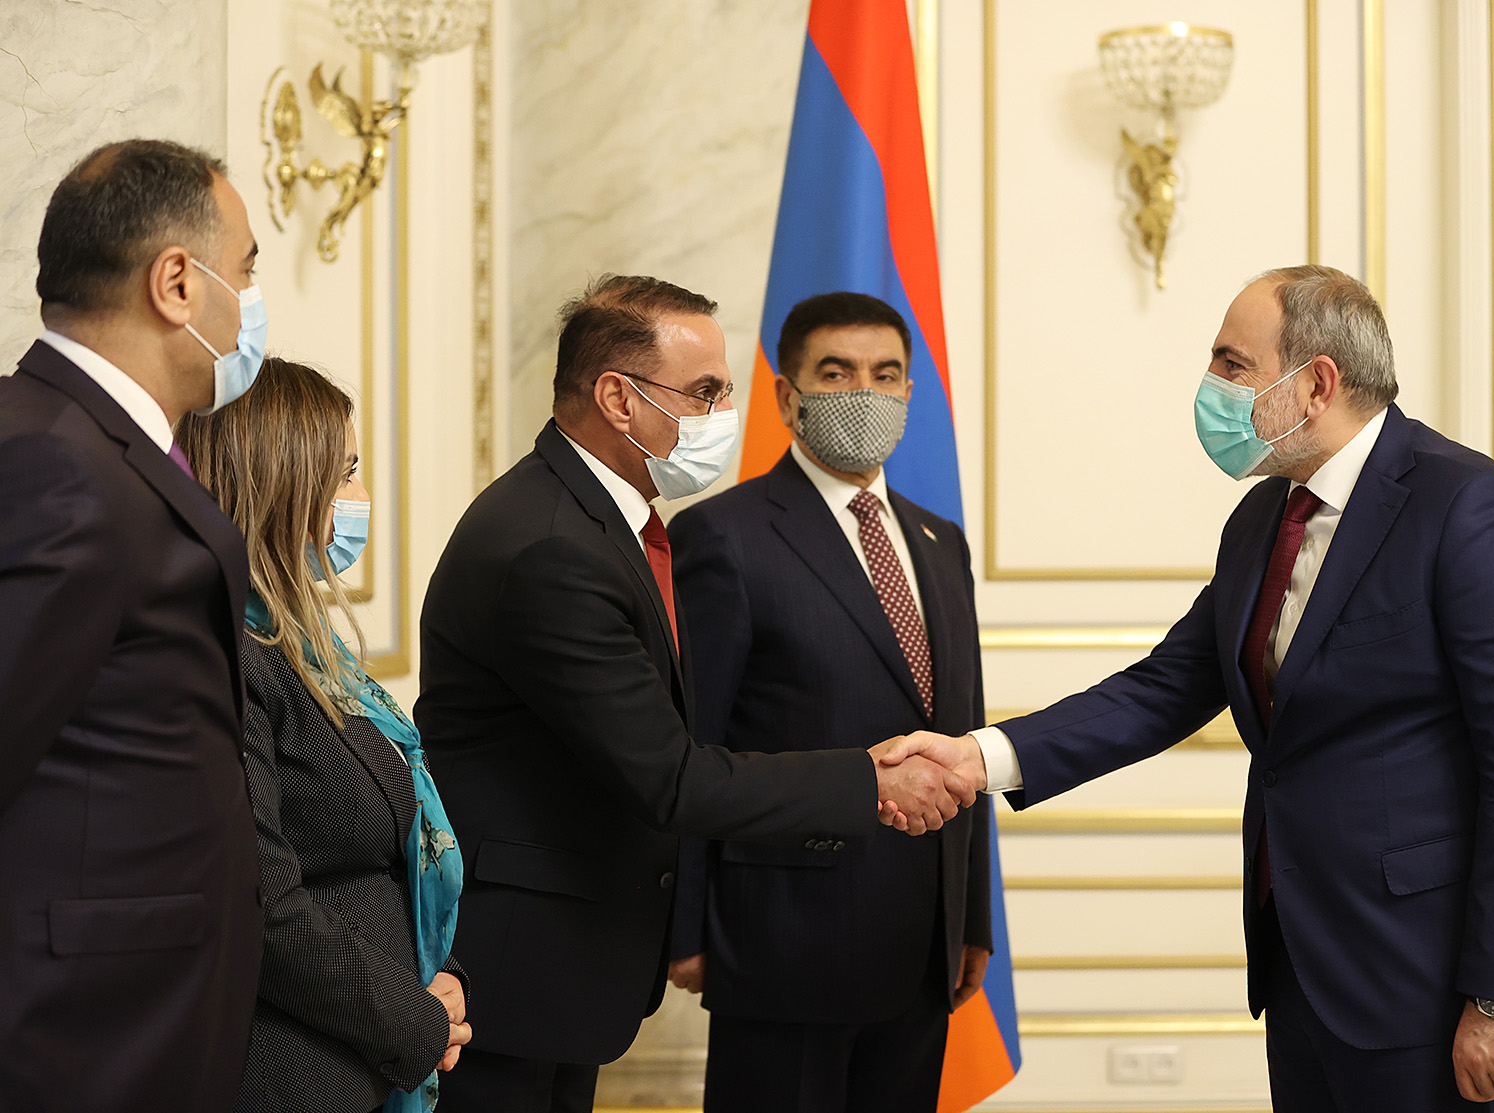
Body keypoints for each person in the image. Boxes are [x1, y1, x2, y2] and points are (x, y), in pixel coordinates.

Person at [880, 265, 1494, 1112]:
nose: (1210, 386)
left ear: (1317, 384)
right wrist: (978, 757)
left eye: (1232, 364)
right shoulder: (1263, 518)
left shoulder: (1470, 509)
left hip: (1426, 975)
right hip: (1298, 961)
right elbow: (1163, 688)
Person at [415, 274, 972, 1113]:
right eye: (705, 392)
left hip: (558, 964)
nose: (724, 413)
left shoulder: (597, 521)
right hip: (516, 968)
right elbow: (671, 774)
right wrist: (870, 779)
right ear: (618, 398)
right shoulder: (552, 544)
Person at [665, 292, 992, 1113]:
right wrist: (685, 926)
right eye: (837, 373)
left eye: (885, 375)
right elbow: (693, 747)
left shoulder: (941, 541)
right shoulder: (723, 535)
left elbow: (965, 737)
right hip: (782, 944)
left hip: (922, 941)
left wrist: (972, 919)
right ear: (788, 396)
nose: (864, 393)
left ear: (909, 392)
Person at [0, 139, 266, 1113]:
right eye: (244, 271)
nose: (250, 301)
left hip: (142, 1001)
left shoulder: (84, 441)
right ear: (177, 283)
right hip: (89, 1024)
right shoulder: (58, 460)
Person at [177, 356, 471, 1113]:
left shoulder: (305, 645)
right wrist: (414, 1017)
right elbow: (265, 902)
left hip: (362, 1055)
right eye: (346, 474)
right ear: (284, 487)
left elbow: (385, 854)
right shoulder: (235, 657)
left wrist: (439, 979)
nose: (362, 498)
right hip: (291, 1075)